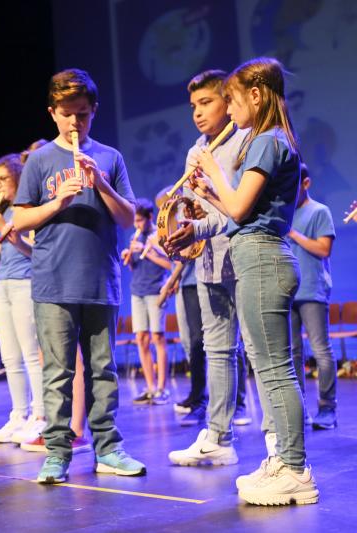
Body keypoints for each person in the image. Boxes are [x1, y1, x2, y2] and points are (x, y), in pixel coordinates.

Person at [190, 57, 317, 505]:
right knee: (272, 369)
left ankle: (295, 471)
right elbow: (241, 212)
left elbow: (242, 210)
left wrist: (213, 169)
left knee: (275, 372)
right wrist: (209, 195)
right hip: (259, 257)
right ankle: (285, 460)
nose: (230, 108)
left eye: (232, 99)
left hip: (262, 261)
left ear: (256, 96)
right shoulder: (273, 139)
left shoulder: (265, 140)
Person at [12, 68, 146, 483]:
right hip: (53, 281)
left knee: (103, 370)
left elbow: (127, 217)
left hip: (100, 280)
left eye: (83, 114)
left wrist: (101, 184)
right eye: (68, 114)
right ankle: (57, 452)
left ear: (94, 112)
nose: (75, 123)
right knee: (57, 374)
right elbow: (19, 220)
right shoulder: (38, 160)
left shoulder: (110, 157)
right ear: (53, 112)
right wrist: (58, 200)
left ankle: (108, 448)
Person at [165, 69, 254, 467]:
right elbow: (190, 203)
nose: (198, 113)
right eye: (193, 107)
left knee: (256, 349)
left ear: (228, 100)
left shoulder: (245, 141)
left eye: (206, 103)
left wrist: (207, 206)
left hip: (242, 258)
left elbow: (240, 207)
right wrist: (184, 219)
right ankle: (219, 435)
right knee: (217, 349)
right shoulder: (195, 149)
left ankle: (278, 445)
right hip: (208, 261)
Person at [0, 153, 45, 444]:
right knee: (10, 356)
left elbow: (35, 252)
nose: (0, 185)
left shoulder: (28, 209)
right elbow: (1, 258)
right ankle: (19, 414)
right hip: (2, 284)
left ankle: (40, 415)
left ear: (18, 176)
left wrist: (4, 226)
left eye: (4, 178)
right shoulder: (3, 212)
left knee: (31, 353)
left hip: (25, 283)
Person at [287, 163, 337, 429]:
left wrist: (293, 233)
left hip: (313, 290)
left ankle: (327, 408)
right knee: (293, 353)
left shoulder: (320, 211)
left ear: (305, 183)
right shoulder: (285, 214)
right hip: (288, 292)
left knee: (321, 350)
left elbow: (323, 248)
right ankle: (299, 410)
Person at [121, 199, 172, 405]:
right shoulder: (136, 237)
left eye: (140, 221)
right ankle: (150, 387)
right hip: (137, 291)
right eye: (135, 222)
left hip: (155, 291)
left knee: (157, 338)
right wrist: (129, 256)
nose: (137, 225)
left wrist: (149, 251)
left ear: (150, 217)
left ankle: (162, 388)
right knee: (141, 338)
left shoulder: (158, 237)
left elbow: (169, 264)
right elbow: (135, 267)